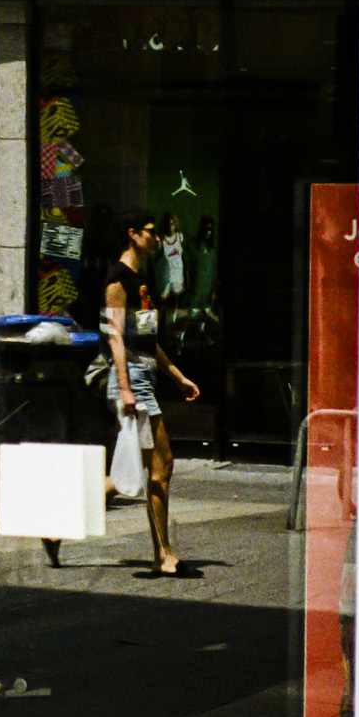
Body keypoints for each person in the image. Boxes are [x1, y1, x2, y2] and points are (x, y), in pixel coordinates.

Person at [105, 207, 200, 575]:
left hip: (145, 378)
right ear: (133, 234)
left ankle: (56, 526)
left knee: (144, 468)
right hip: (132, 380)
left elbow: (146, 339)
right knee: (161, 466)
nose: (156, 238)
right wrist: (126, 390)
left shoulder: (139, 279)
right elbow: (115, 336)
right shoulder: (118, 279)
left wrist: (177, 376)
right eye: (150, 231)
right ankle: (163, 555)